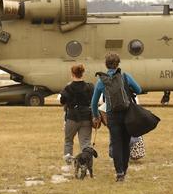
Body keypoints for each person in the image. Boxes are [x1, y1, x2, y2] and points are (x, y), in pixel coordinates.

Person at [91, 52, 142, 182]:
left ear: (106, 65)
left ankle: (119, 172)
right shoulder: (125, 76)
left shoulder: (101, 81)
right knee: (125, 143)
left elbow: (93, 103)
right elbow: (139, 89)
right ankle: (124, 170)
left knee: (116, 143)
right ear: (118, 64)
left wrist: (96, 116)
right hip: (126, 114)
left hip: (112, 116)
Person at [60, 64, 94, 164]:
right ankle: (86, 165)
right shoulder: (90, 87)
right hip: (86, 117)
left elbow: (62, 101)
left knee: (68, 141)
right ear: (82, 73)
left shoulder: (68, 88)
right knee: (86, 143)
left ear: (72, 74)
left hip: (72, 118)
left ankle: (68, 164)